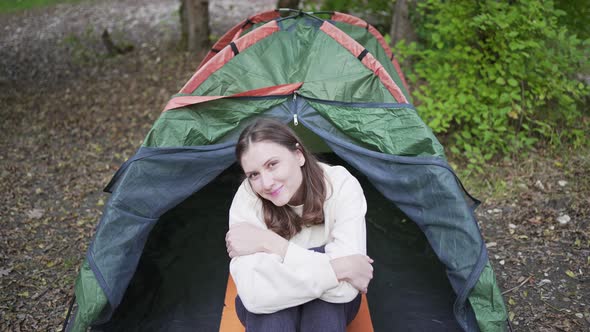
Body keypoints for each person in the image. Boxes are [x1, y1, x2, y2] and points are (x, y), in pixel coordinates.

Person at [225, 118, 374, 332]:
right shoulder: (247, 197)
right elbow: (255, 295)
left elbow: (347, 291)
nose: (266, 183)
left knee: (324, 312)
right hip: (268, 311)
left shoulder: (341, 184)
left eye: (272, 164)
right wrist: (337, 268)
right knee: (270, 318)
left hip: (332, 305)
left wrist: (272, 245)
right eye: (254, 175)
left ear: (299, 155)